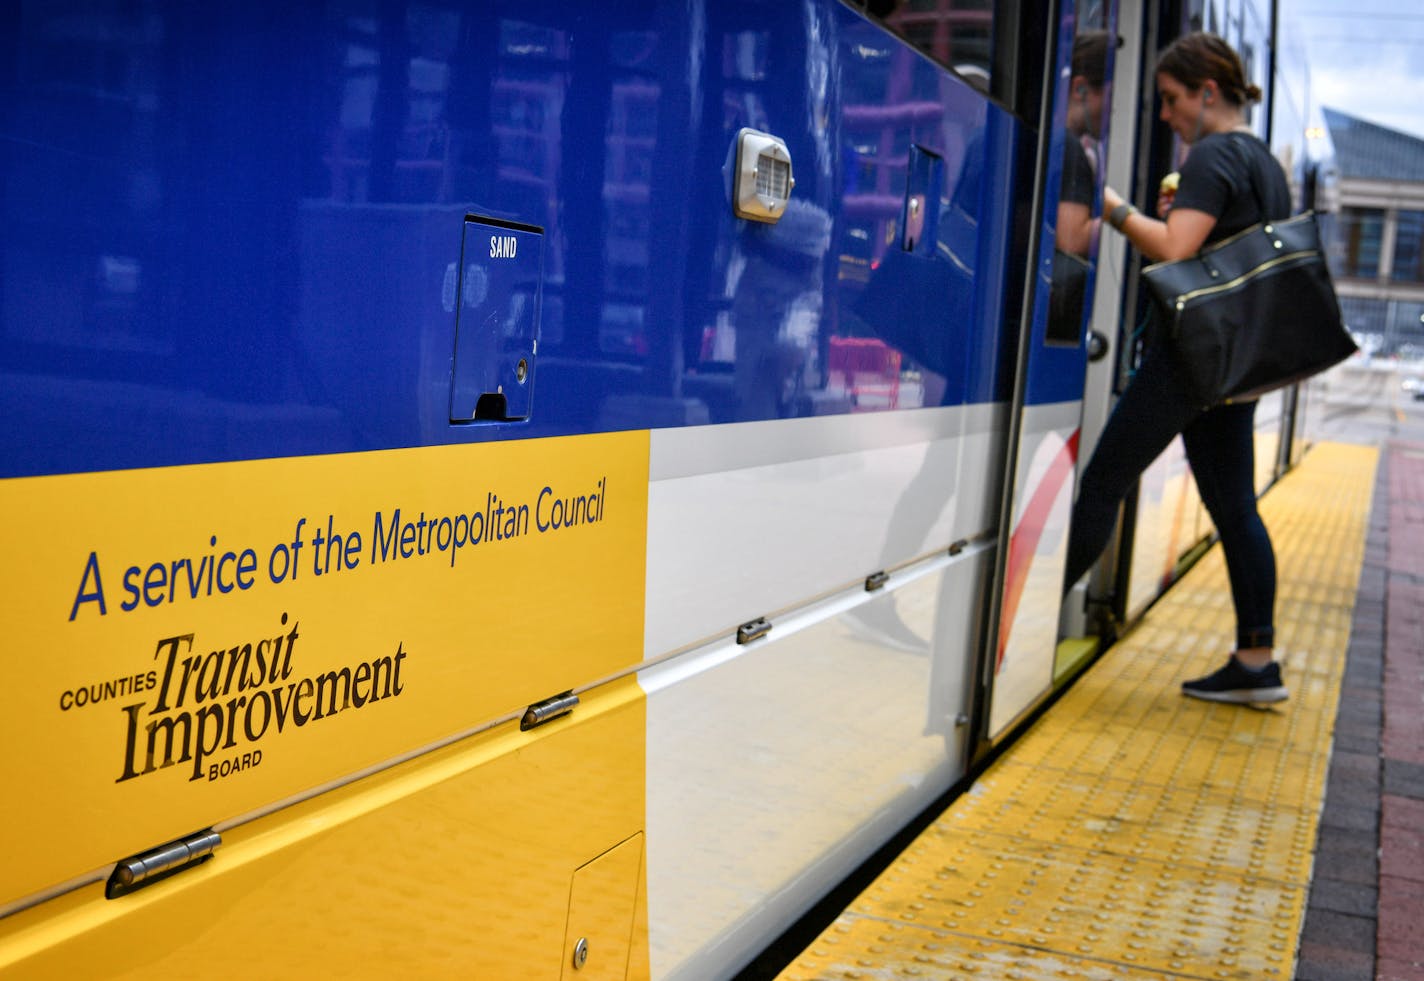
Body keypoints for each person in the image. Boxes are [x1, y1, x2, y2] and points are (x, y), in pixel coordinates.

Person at [1063, 31, 1290, 705]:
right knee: (1235, 508)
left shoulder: (1215, 154)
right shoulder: (1263, 162)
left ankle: (1028, 619)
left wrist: (1115, 208)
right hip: (1235, 364)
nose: (1165, 116)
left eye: (1170, 100)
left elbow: (1174, 247)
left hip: (1190, 360)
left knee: (1104, 480)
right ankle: (1257, 661)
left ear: (1207, 92)